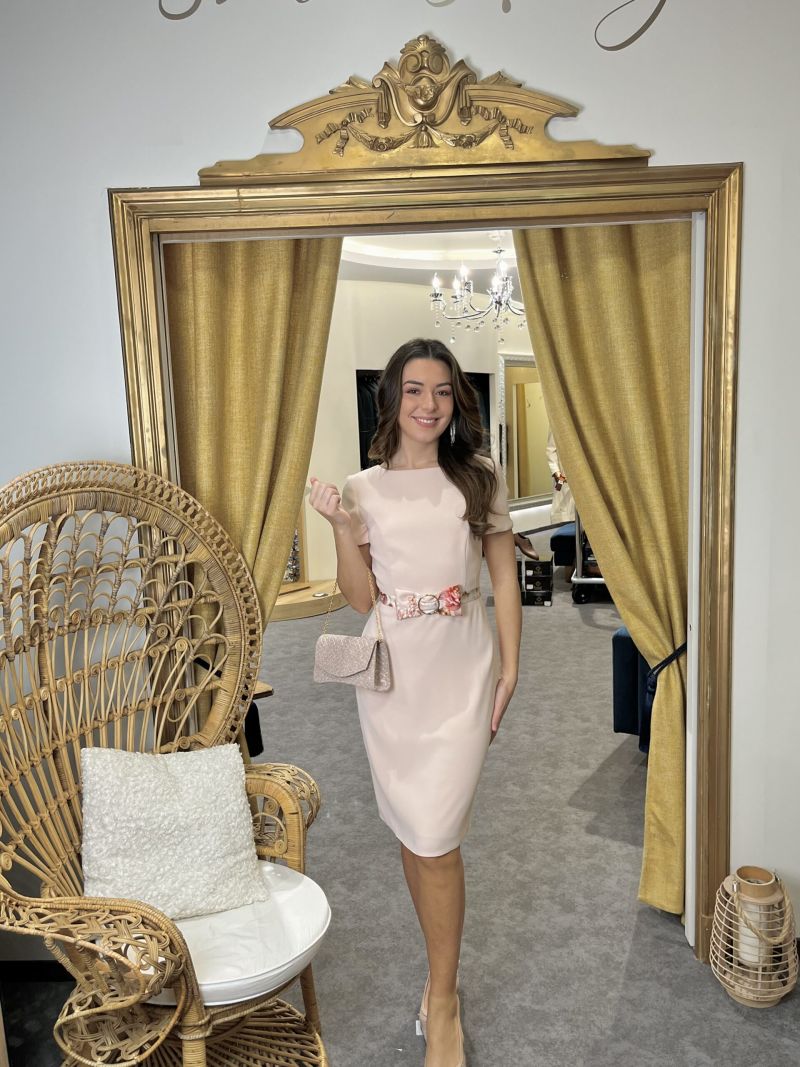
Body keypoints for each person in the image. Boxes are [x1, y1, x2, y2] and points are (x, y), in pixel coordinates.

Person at [309, 338, 521, 1067]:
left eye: (441, 390)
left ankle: (444, 999)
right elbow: (359, 597)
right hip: (395, 678)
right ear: (391, 399)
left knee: (437, 833)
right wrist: (342, 529)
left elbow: (503, 574)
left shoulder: (478, 477)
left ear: (456, 400)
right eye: (413, 390)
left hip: (463, 669)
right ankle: (440, 980)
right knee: (415, 829)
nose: (429, 404)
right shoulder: (361, 488)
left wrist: (512, 665)